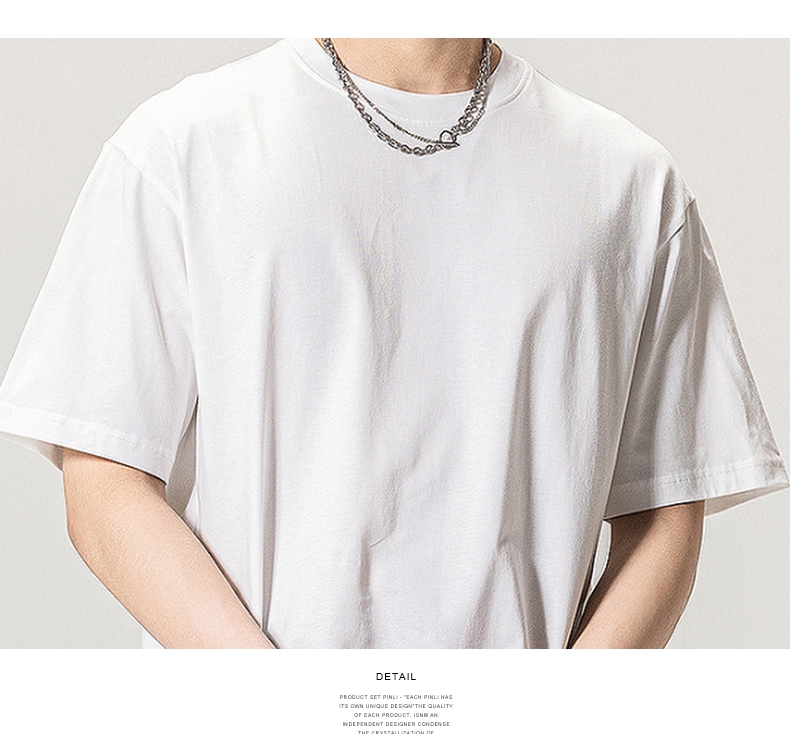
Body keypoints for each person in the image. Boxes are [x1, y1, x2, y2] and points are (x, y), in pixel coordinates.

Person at [0, 38, 786, 649]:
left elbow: (667, 509)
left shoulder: (630, 182)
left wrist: (552, 728)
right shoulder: (181, 148)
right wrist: (278, 718)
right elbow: (104, 481)